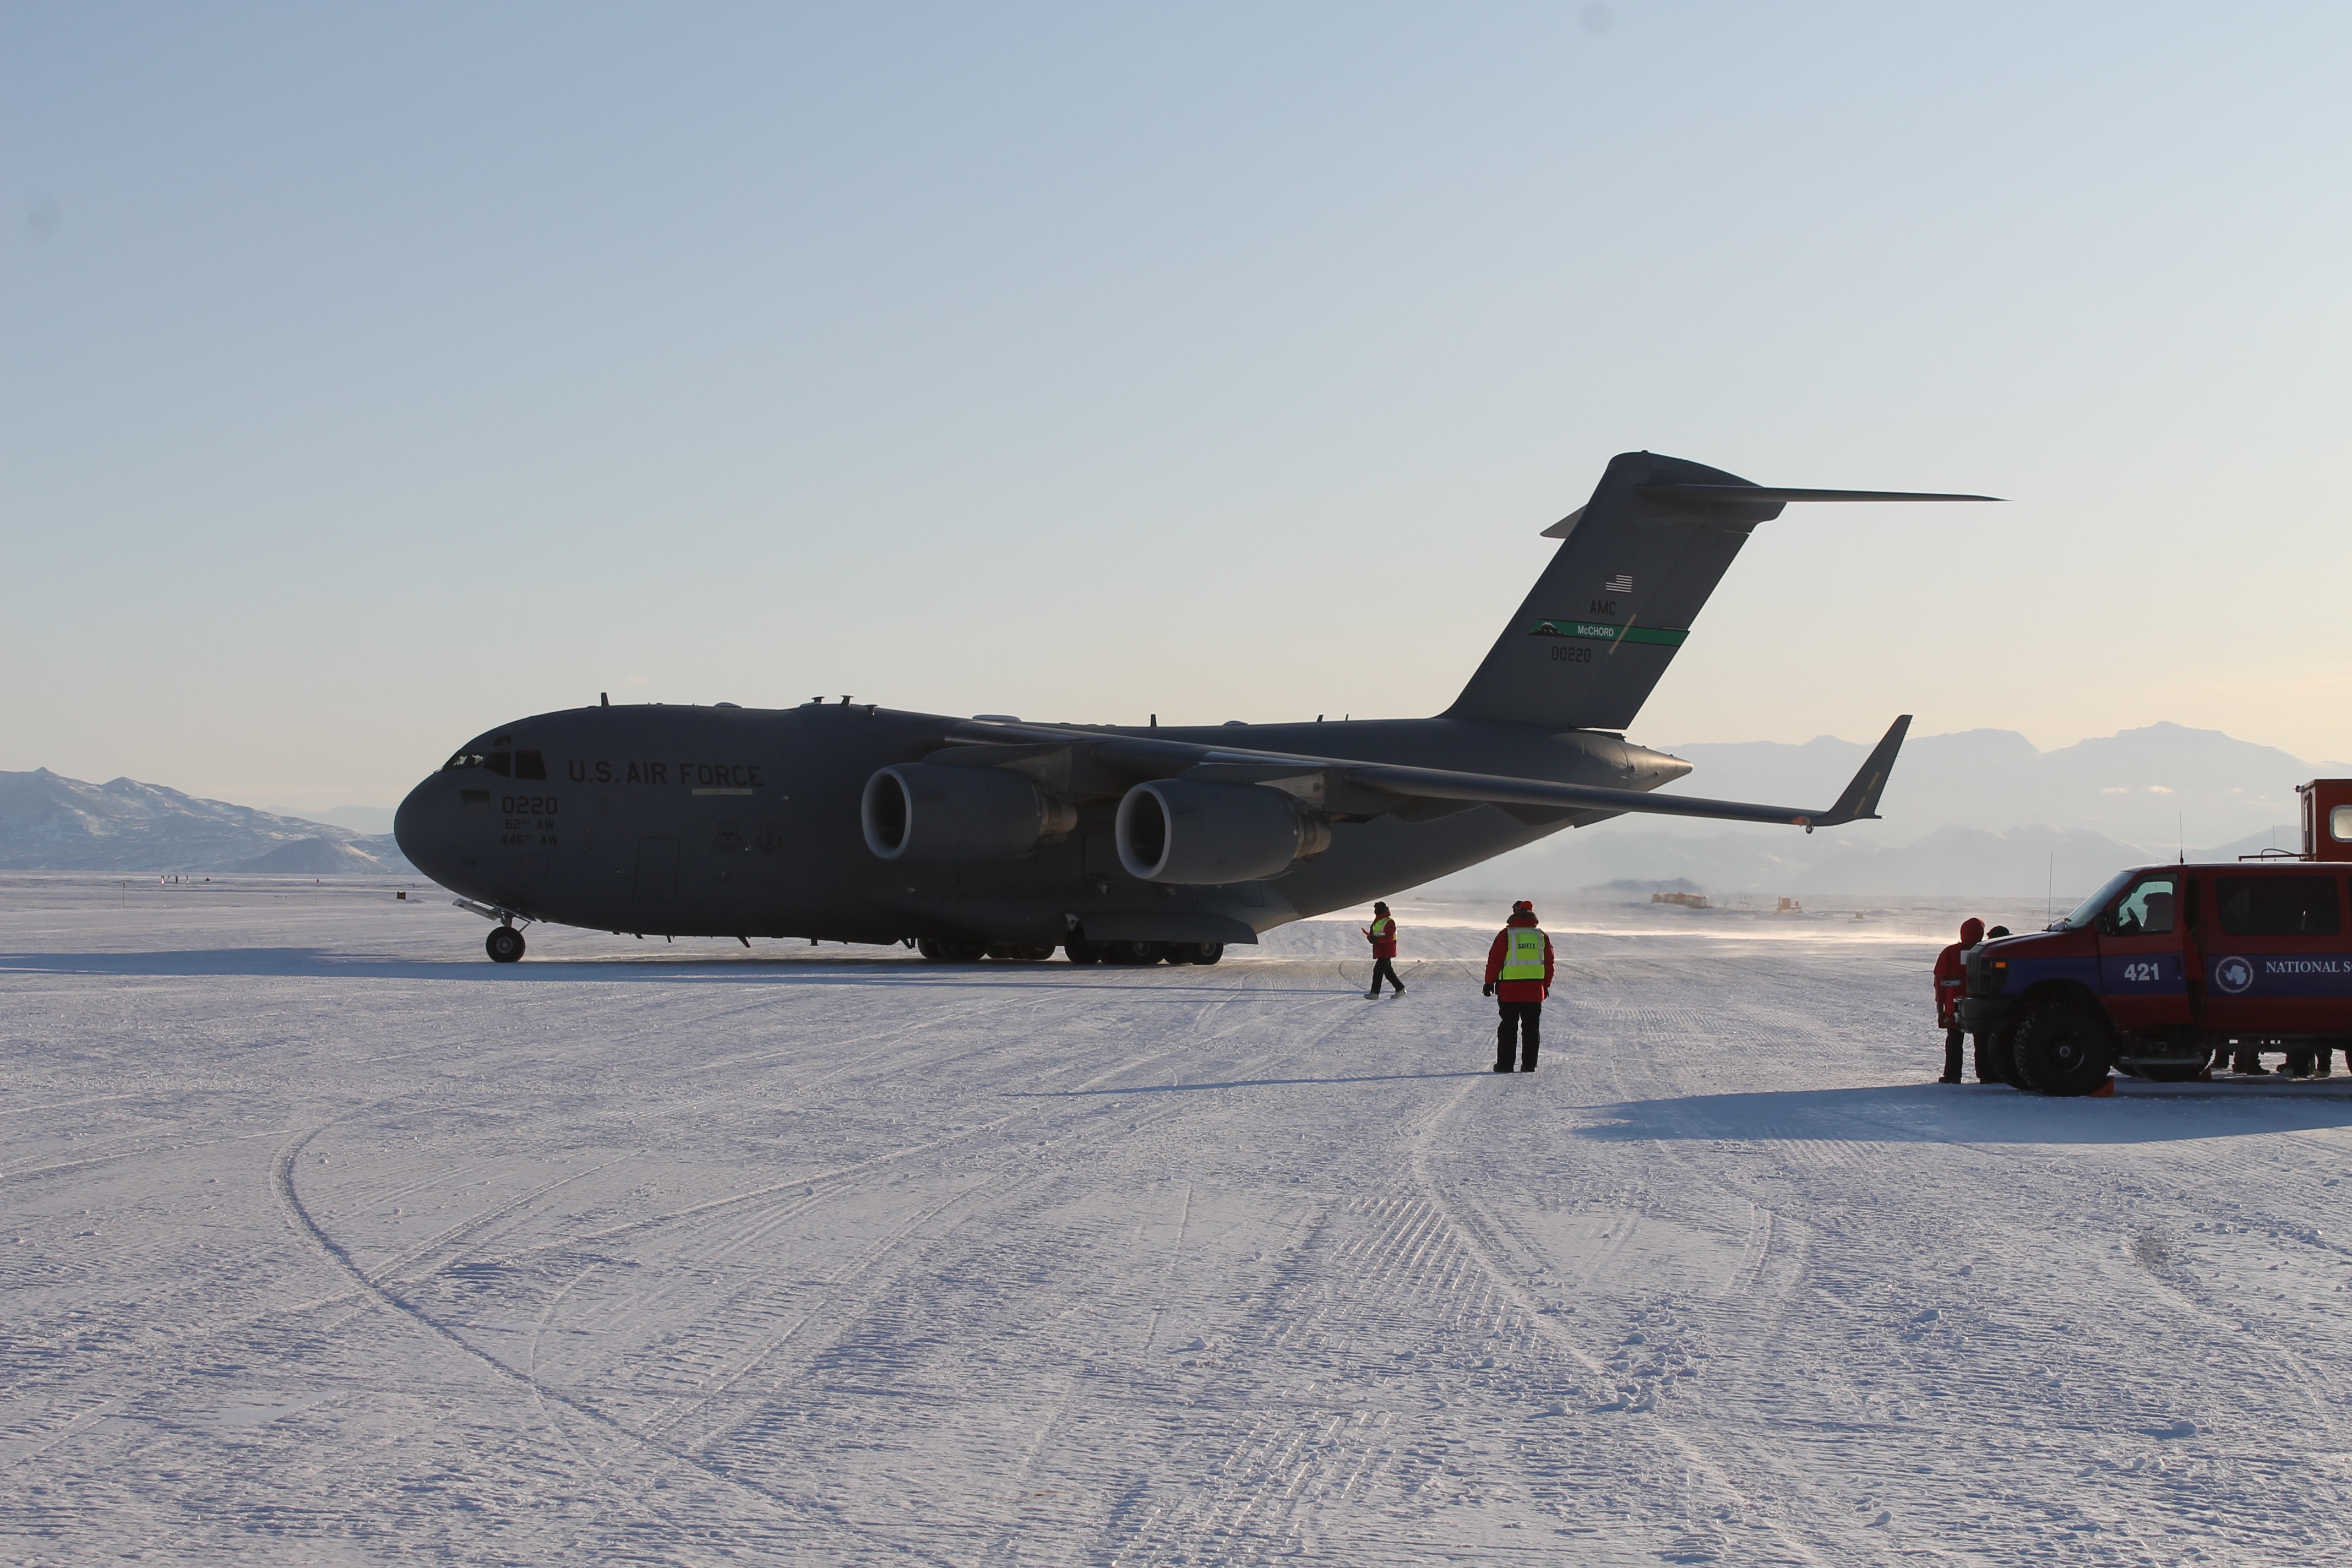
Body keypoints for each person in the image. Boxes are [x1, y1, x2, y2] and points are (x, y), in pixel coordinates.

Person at [1482, 900, 1554, 1072]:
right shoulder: (1541, 936)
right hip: (1534, 991)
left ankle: (1505, 1065)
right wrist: (1545, 986)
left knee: (1508, 1027)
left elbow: (1495, 961)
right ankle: (1529, 1065)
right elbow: (1549, 964)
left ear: (1516, 913)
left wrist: (1489, 982)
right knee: (1531, 1028)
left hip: (1509, 991)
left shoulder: (1506, 935)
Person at [1933, 917, 1986, 1084]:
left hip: (1953, 1005)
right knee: (1983, 1040)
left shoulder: (1949, 953)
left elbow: (1940, 980)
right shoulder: (1986, 951)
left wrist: (1941, 1007)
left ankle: (1952, 1075)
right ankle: (1987, 1074)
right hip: (1980, 1005)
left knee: (1954, 1040)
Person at [1362, 901, 1405, 998]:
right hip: (1381, 949)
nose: (1376, 911)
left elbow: (1390, 937)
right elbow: (1374, 933)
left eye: (1378, 909)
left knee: (1378, 970)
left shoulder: (1389, 922)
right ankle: (1400, 989)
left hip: (1387, 950)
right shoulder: (1378, 920)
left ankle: (1375, 993)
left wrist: (1377, 939)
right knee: (1388, 972)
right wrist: (1371, 938)